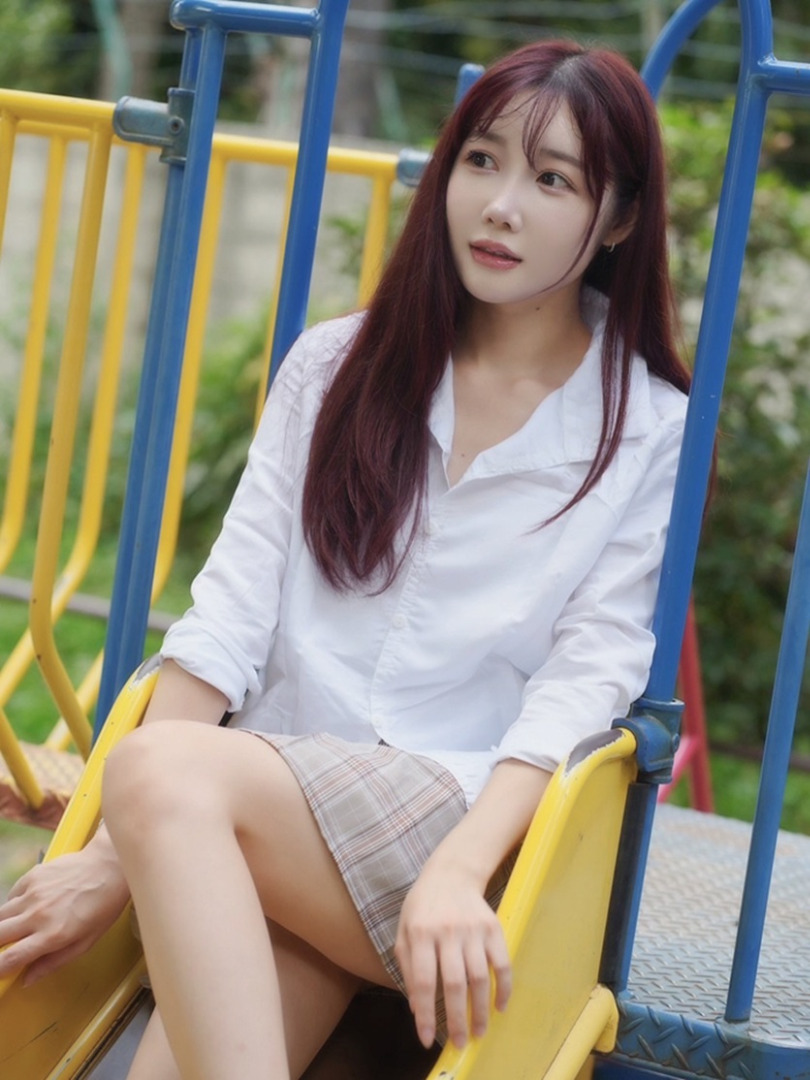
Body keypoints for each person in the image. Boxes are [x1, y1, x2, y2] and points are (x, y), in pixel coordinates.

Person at [0, 38, 690, 1080]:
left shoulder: (648, 430)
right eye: (481, 161)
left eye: (553, 181)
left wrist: (459, 869)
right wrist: (113, 854)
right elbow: (227, 618)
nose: (501, 206)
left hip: (465, 826)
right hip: (278, 826)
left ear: (621, 220)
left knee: (153, 762)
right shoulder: (337, 366)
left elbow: (585, 679)